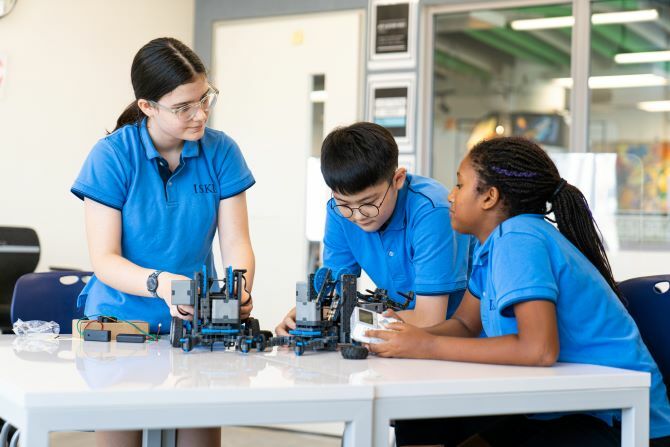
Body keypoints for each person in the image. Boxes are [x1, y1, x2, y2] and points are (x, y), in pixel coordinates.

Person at [366, 136, 670, 446]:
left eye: (460, 185)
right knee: (424, 422)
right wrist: (406, 337)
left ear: (489, 197)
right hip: (556, 407)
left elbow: (538, 350)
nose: (450, 196)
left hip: (616, 419)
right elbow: (465, 325)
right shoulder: (492, 247)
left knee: (432, 423)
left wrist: (425, 346)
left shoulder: (519, 237)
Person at [71, 37, 255, 447]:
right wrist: (162, 284)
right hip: (121, 322)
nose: (201, 113)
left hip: (194, 322)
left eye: (204, 98)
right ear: (147, 107)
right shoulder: (111, 157)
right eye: (183, 107)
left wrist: (239, 288)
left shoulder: (221, 151)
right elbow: (104, 260)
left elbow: (237, 243)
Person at [276, 122, 470, 335]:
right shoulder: (338, 213)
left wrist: (350, 321)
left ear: (398, 179)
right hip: (397, 336)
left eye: (369, 202)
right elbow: (334, 292)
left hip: (459, 342)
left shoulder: (432, 210)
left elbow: (428, 319)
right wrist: (312, 316)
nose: (358, 215)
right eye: (345, 204)